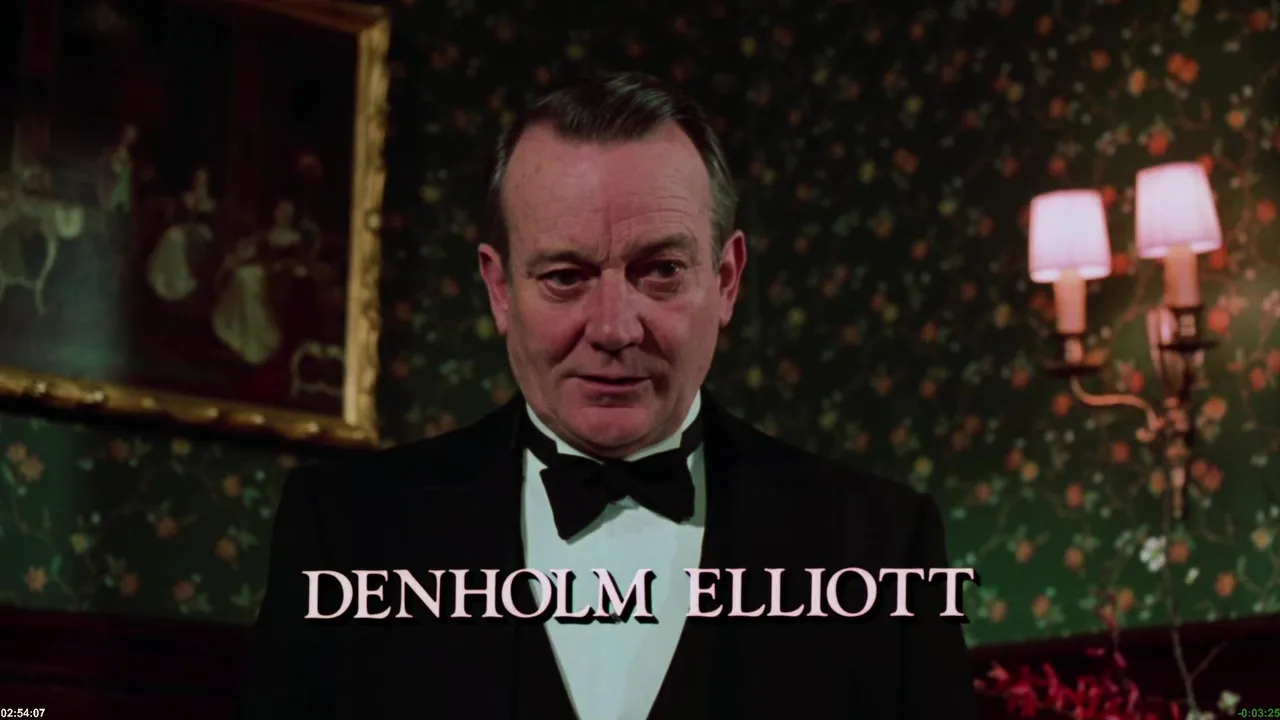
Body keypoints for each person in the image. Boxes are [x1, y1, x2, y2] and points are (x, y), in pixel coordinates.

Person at [239, 71, 978, 720]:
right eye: (566, 277)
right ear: (500, 289)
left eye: (661, 271)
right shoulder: (344, 530)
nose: (615, 328)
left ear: (726, 281)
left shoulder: (885, 547)